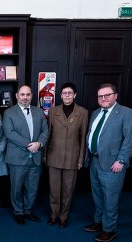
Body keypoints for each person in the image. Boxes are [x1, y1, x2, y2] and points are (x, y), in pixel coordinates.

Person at [83, 83, 132, 242]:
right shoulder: (95, 113)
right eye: (100, 96)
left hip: (113, 163)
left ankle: (109, 230)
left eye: (107, 95)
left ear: (115, 95)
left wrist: (121, 160)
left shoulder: (127, 113)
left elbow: (129, 140)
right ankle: (99, 222)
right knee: (97, 195)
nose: (103, 98)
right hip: (95, 160)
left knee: (111, 198)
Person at [3, 85, 48, 225]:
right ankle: (18, 211)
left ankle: (28, 210)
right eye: (22, 94)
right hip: (17, 158)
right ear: (17, 96)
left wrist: (39, 144)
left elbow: (46, 131)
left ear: (32, 96)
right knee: (16, 187)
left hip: (35, 157)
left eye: (28, 94)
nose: (25, 97)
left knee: (32, 187)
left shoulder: (39, 112)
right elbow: (10, 133)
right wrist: (30, 145)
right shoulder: (9, 112)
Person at [45, 83, 88, 228]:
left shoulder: (82, 112)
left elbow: (83, 138)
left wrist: (81, 158)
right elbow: (48, 135)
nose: (67, 95)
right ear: (61, 95)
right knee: (54, 189)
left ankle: (64, 216)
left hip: (72, 157)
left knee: (68, 190)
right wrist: (45, 156)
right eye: (64, 93)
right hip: (54, 156)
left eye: (70, 93)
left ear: (75, 95)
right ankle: (53, 215)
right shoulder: (52, 111)